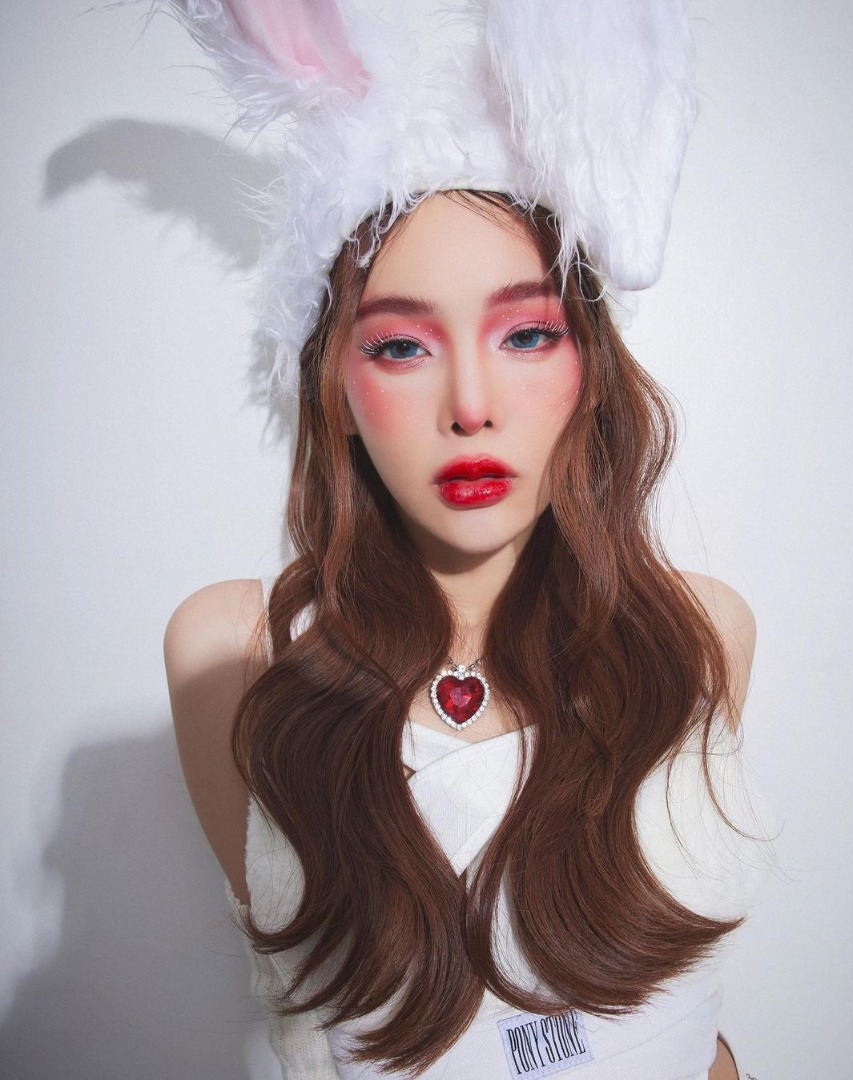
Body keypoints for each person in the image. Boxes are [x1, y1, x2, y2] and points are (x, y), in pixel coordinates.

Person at [151, 2, 764, 1077]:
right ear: (337, 391)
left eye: (525, 334)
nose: (470, 405)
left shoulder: (699, 630)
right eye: (400, 347)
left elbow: (685, 1024)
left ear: (590, 369)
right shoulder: (234, 653)